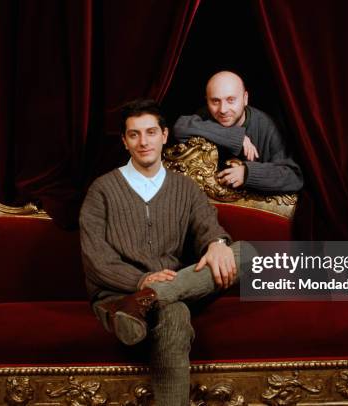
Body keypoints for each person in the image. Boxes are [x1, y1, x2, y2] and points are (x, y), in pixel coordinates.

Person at [79, 99, 244, 405]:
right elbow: (95, 258)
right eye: (134, 134)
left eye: (151, 132)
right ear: (125, 141)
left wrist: (217, 244)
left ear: (165, 135)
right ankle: (142, 301)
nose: (144, 142)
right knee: (176, 312)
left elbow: (207, 224)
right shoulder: (102, 190)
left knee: (246, 253)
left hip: (173, 287)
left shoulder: (185, 187)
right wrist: (141, 280)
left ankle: (148, 300)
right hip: (117, 295)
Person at [174, 70, 303, 193]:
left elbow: (293, 176)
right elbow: (180, 127)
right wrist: (237, 138)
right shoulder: (205, 115)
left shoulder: (268, 126)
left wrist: (247, 173)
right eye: (215, 101)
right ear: (207, 100)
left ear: (245, 98)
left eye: (231, 100)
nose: (223, 109)